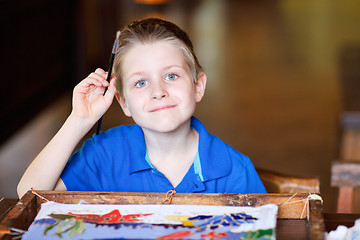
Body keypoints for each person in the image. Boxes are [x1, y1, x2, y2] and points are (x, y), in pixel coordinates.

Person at [17, 18, 266, 198]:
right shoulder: (105, 153)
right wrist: (79, 120)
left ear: (198, 86)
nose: (158, 91)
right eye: (141, 82)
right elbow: (29, 194)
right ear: (124, 102)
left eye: (171, 76)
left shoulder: (234, 169)